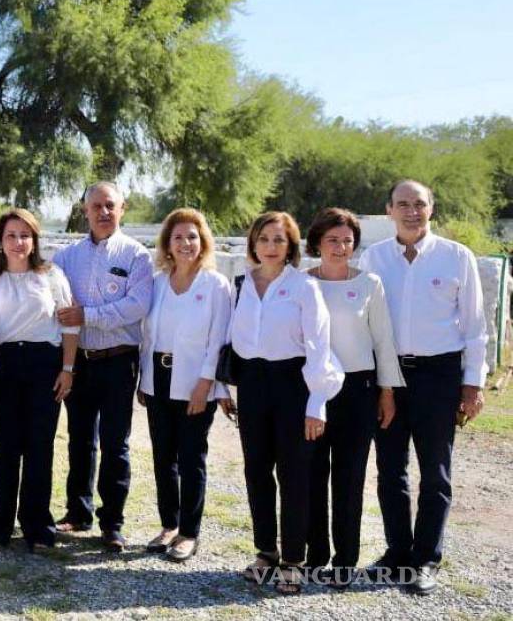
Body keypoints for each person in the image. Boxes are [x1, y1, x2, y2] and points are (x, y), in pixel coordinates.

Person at [359, 180, 487, 595]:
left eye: (419, 204)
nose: (411, 211)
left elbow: (474, 327)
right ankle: (397, 553)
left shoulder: (456, 257)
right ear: (388, 210)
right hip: (389, 378)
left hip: (439, 376)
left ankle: (426, 559)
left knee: (436, 472)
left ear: (431, 209)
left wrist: (473, 385)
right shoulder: (373, 258)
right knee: (390, 469)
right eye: (402, 204)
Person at [229, 211, 343, 595]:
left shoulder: (304, 287)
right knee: (256, 470)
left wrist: (316, 404)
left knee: (294, 474)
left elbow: (319, 346)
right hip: (252, 384)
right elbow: (231, 340)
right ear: (253, 244)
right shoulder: (242, 283)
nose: (271, 247)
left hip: (294, 383)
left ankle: (293, 559)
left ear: (291, 245)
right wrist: (224, 388)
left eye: (279, 240)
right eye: (264, 239)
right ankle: (266, 552)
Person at [300, 208, 405, 588]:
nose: (340, 247)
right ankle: (315, 557)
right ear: (317, 243)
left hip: (358, 392)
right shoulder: (299, 283)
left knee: (349, 478)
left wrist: (387, 391)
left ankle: (345, 560)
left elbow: (383, 341)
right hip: (311, 391)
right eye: (332, 240)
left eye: (347, 240)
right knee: (312, 475)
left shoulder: (369, 283)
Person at [52, 181, 152, 552]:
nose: (103, 212)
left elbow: (136, 306)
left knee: (115, 443)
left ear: (122, 208)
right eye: (96, 206)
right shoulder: (66, 257)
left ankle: (113, 523)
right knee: (79, 439)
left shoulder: (136, 256)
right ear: (85, 210)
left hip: (118, 360)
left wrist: (87, 315)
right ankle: (78, 512)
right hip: (79, 361)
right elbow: (57, 301)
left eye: (110, 205)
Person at [138, 208, 232, 562]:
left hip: (195, 381)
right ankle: (168, 524)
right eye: (178, 237)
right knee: (163, 456)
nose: (185, 243)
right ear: (167, 244)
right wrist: (144, 380)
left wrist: (205, 384)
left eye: (192, 236)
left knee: (191, 456)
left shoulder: (215, 285)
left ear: (203, 241)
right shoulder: (158, 282)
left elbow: (218, 339)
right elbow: (148, 335)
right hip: (157, 377)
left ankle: (190, 532)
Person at [0, 208, 79, 552]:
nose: (18, 242)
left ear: (34, 240)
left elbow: (69, 324)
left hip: (44, 365)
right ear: (0, 241)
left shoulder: (51, 276)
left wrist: (67, 369)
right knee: (7, 447)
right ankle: (1, 520)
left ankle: (37, 524)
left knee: (40, 446)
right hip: (4, 365)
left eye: (25, 235)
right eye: (11, 235)